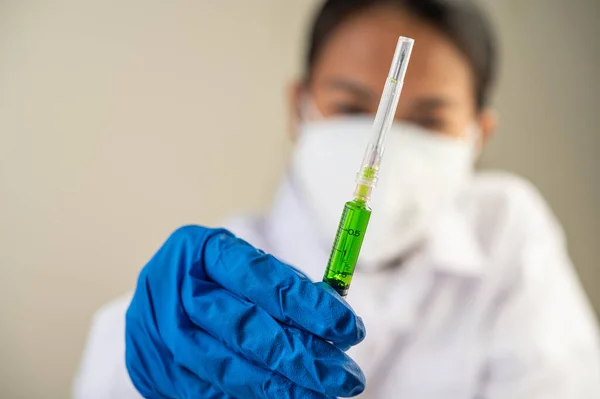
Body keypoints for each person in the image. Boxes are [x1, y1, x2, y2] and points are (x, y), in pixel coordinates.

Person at [73, 0, 600, 398]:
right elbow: (113, 371)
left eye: (428, 120)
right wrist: (143, 358)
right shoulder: (215, 285)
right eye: (350, 107)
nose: (386, 142)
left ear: (478, 133)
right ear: (299, 106)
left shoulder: (504, 230)